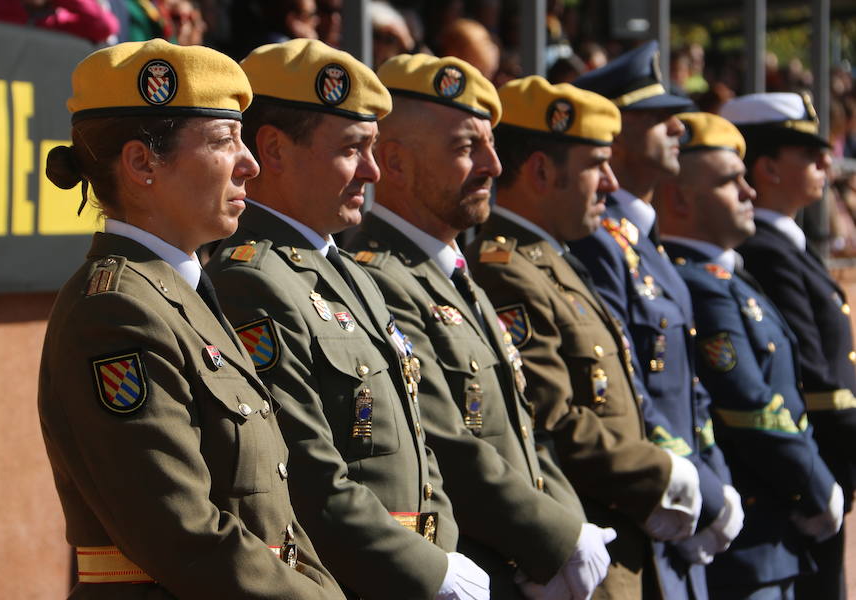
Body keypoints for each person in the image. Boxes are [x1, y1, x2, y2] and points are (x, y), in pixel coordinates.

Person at [38, 39, 344, 598]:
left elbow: (277, 521)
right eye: (225, 140)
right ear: (141, 164)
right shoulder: (116, 310)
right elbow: (184, 534)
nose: (249, 163)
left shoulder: (178, 291)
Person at [205, 39, 489, 600]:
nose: (373, 171)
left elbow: (416, 441)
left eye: (374, 149)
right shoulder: (253, 279)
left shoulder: (349, 271)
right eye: (352, 149)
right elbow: (308, 477)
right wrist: (428, 572)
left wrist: (444, 552)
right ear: (274, 150)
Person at [346, 55, 612, 600]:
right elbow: (447, 443)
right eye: (467, 149)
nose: (493, 165)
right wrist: (553, 538)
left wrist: (571, 526)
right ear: (393, 163)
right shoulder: (382, 276)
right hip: (484, 570)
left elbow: (522, 429)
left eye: (490, 146)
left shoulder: (453, 273)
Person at [465, 76, 704, 600]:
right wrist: (663, 475)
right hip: (586, 550)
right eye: (597, 164)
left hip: (623, 547)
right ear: (542, 170)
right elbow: (551, 419)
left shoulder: (552, 260)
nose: (612, 183)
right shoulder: (505, 269)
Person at [568, 40, 737, 600]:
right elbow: (628, 391)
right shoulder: (599, 241)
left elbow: (688, 390)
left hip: (683, 510)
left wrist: (716, 485)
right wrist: (706, 495)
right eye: (660, 118)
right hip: (650, 512)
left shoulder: (644, 239)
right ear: (613, 134)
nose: (678, 130)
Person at [657, 111, 841, 599]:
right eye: (730, 182)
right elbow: (749, 403)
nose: (750, 193)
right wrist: (818, 487)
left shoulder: (726, 276)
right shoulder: (695, 282)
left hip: (771, 534)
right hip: (744, 541)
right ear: (678, 198)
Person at [721, 92, 856, 600]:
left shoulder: (785, 246)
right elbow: (811, 378)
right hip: (801, 474)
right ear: (768, 168)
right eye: (809, 154)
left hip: (821, 466)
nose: (826, 163)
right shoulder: (764, 251)